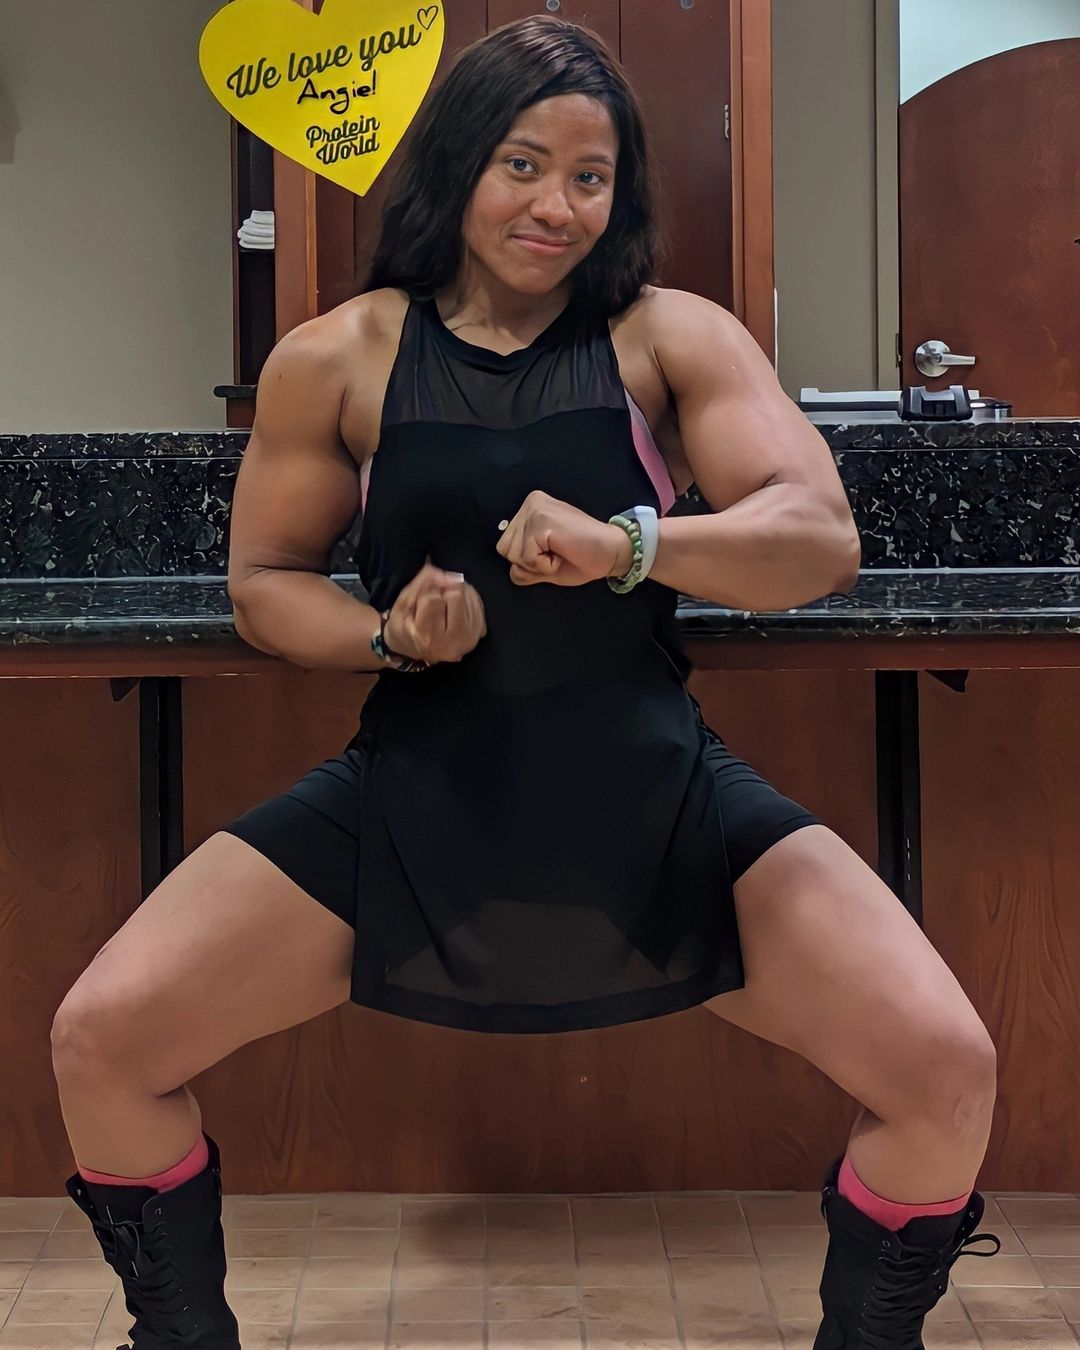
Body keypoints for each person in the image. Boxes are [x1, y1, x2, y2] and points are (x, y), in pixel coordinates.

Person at [51, 16, 1000, 1349]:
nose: (556, 205)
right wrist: (388, 639)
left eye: (590, 176)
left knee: (946, 1067)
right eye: (523, 164)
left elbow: (817, 538)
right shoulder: (337, 356)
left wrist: (634, 544)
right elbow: (264, 580)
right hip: (412, 797)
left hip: (652, 795)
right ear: (458, 166)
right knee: (101, 1039)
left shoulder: (668, 338)